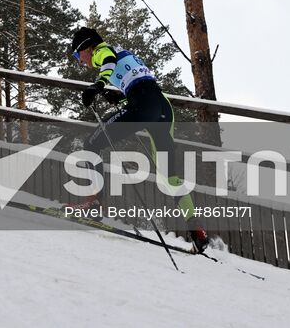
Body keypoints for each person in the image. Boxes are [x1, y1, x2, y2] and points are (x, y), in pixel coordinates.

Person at [68, 25, 211, 253]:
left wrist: (99, 84)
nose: (79, 61)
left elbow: (108, 62)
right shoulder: (121, 52)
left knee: (91, 145)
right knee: (168, 176)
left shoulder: (103, 50)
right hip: (162, 109)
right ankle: (197, 231)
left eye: (77, 54)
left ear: (87, 47)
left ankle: (93, 204)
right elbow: (135, 79)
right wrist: (121, 94)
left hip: (143, 106)